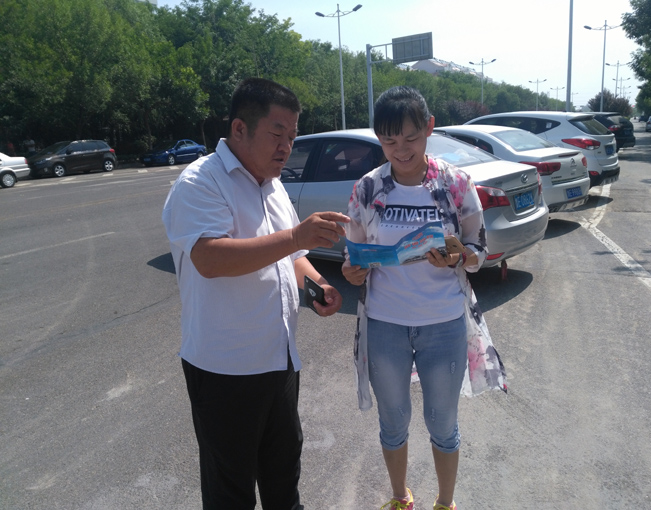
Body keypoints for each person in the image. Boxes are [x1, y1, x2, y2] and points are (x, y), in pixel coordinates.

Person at [162, 77, 350, 510]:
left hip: (278, 361)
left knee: (284, 479)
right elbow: (210, 259)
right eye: (277, 134)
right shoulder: (200, 182)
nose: (287, 147)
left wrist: (318, 286)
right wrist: (295, 237)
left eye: (293, 136)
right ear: (239, 129)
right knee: (231, 492)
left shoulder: (273, 184)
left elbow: (292, 255)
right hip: (224, 370)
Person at [342, 86, 506, 510]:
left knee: (443, 424)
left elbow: (479, 250)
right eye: (389, 141)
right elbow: (352, 252)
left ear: (429, 128)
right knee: (393, 421)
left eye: (411, 138)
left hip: (443, 323)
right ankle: (401, 498)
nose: (401, 150)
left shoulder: (455, 184)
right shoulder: (368, 189)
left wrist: (459, 256)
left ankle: (445, 503)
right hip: (385, 324)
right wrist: (351, 269)